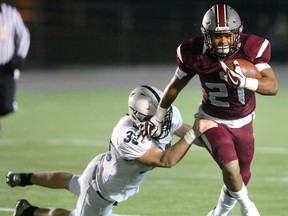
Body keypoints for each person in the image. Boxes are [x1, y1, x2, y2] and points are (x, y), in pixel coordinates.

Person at [140, 4, 278, 216]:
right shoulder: (194, 53)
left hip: (243, 121)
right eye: (216, 36)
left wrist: (244, 81)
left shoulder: (251, 48)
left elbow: (272, 87)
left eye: (227, 36)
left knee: (243, 174)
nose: (222, 42)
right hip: (211, 119)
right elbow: (175, 86)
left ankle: (218, 213)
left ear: (237, 33)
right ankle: (247, 207)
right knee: (230, 167)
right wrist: (158, 116)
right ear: (206, 36)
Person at [6, 85, 217, 216]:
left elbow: (184, 130)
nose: (162, 120)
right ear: (140, 117)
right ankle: (31, 212)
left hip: (99, 170)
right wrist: (192, 135)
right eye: (155, 118)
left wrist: (213, 143)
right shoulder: (127, 137)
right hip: (102, 192)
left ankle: (24, 178)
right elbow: (166, 160)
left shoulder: (161, 114)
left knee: (71, 181)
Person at [0, 3, 30, 117]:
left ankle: (10, 104)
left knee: (6, 106)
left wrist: (20, 56)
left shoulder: (10, 13)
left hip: (6, 67)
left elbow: (23, 35)